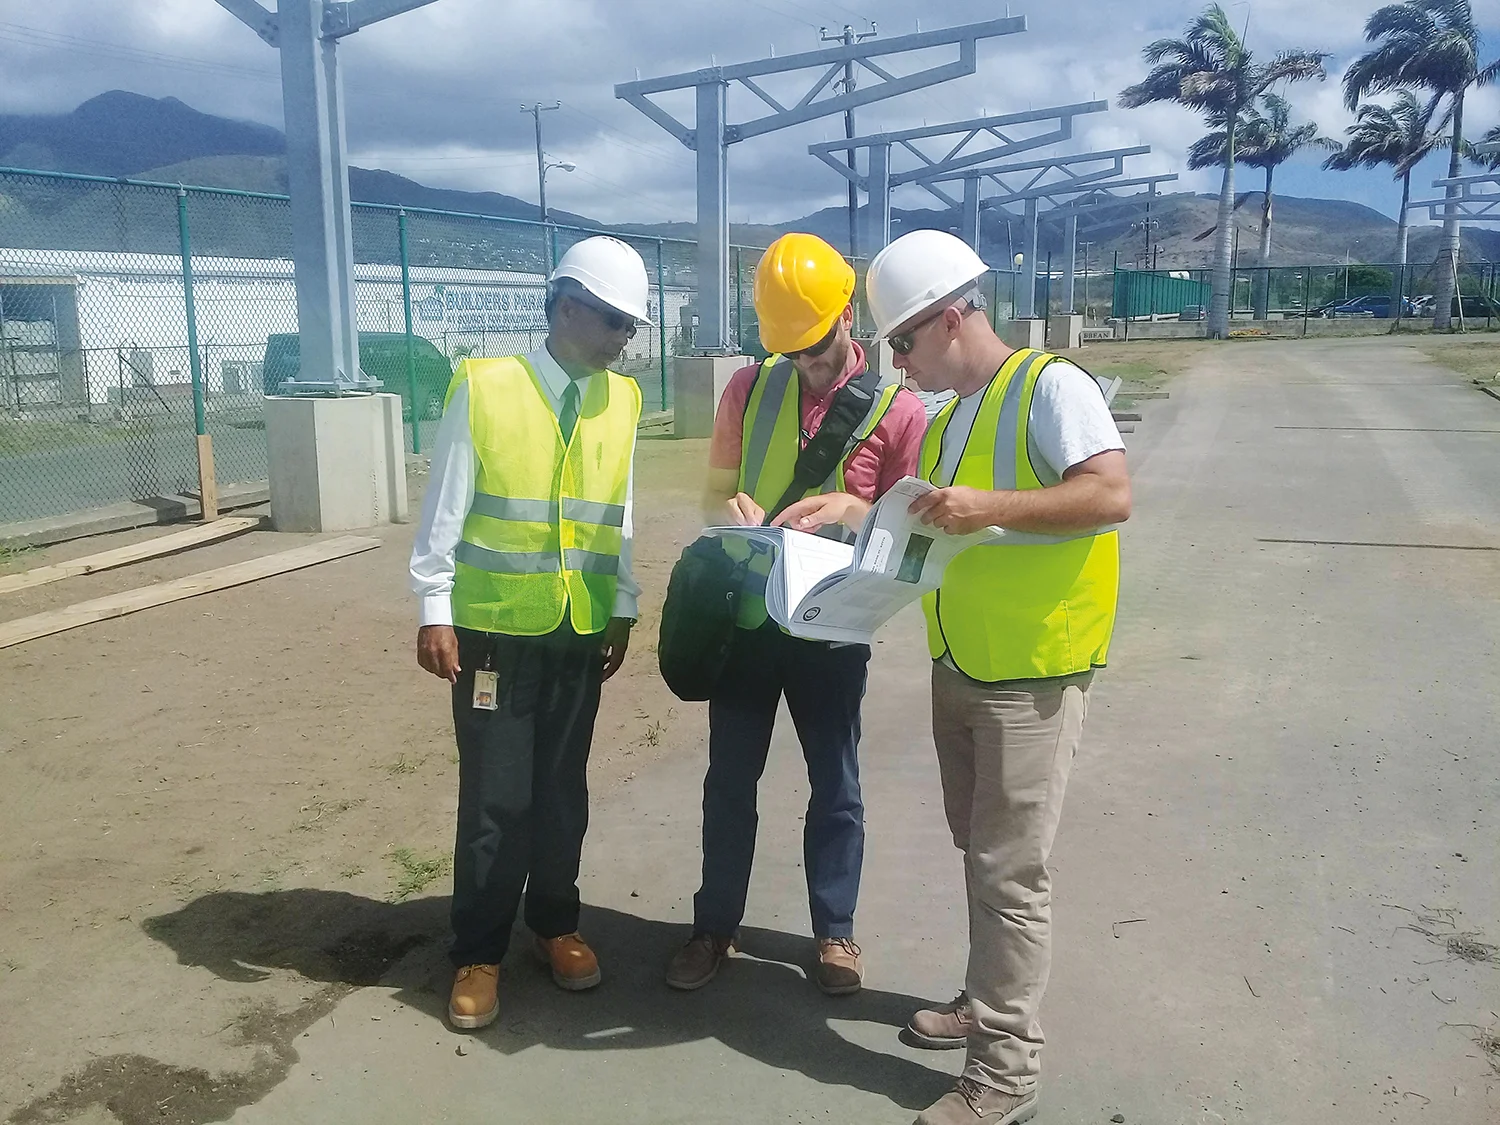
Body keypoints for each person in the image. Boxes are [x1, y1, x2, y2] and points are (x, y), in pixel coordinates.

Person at [778, 228, 1130, 1125]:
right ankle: (985, 1004)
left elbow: (1109, 494)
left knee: (1012, 872)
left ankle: (1005, 1076)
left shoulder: (1050, 387)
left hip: (1034, 669)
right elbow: (932, 520)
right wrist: (859, 507)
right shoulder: (952, 418)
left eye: (902, 342)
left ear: (951, 317)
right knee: (980, 854)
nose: (895, 363)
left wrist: (992, 508)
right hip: (963, 662)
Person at [664, 232, 927, 995]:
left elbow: (911, 527)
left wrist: (856, 506)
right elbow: (712, 492)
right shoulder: (748, 388)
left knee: (836, 784)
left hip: (833, 628)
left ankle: (835, 932)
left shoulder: (899, 411)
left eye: (817, 347)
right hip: (747, 621)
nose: (807, 365)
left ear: (850, 315)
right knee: (729, 780)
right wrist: (732, 506)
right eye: (793, 351)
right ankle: (715, 926)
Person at [409, 236, 650, 1031]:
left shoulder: (624, 400)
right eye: (615, 320)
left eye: (631, 326)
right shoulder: (484, 387)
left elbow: (619, 514)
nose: (624, 338)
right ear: (567, 305)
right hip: (492, 635)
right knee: (495, 799)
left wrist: (622, 603)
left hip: (578, 627)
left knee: (561, 792)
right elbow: (446, 506)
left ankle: (554, 922)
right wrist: (433, 607)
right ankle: (478, 950)